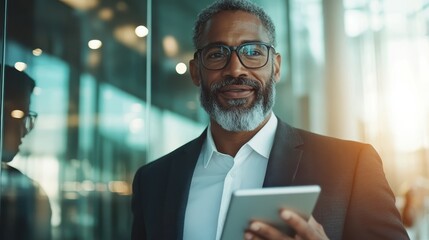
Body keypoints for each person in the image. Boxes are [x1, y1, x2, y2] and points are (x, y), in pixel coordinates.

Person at [131, 0, 410, 239]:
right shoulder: (153, 181)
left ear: (275, 67)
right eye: (217, 54)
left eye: (252, 52)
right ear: (195, 72)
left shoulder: (351, 166)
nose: (235, 69)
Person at [0, 65, 52, 240]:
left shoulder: (29, 193)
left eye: (26, 116)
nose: (24, 130)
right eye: (17, 114)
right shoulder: (29, 193)